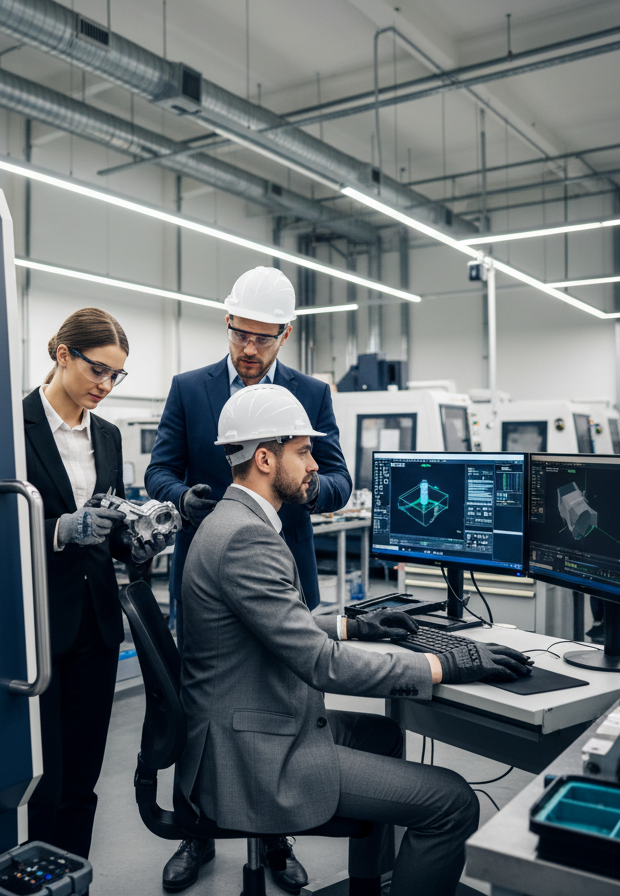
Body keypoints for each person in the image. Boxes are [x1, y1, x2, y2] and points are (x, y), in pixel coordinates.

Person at [177, 385, 534, 896]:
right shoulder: (246, 538)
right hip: (253, 757)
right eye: (302, 452)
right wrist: (443, 665)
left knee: (384, 737)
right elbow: (321, 665)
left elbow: (274, 626)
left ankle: (373, 884)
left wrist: (354, 625)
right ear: (263, 458)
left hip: (247, 724)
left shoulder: (231, 521)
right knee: (454, 802)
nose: (314, 466)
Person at [144, 265, 351, 892]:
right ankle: (196, 832)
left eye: (262, 338)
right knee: (201, 704)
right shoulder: (190, 388)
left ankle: (277, 836)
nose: (248, 349)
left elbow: (339, 480)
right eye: (239, 334)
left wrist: (299, 488)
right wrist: (190, 502)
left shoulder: (311, 396)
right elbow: (158, 473)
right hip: (206, 580)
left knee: (283, 710)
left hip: (284, 574)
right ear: (227, 325)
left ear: (285, 334)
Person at [23, 308, 170, 859]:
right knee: (45, 777)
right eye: (98, 371)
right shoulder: (14, 425)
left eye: (116, 376)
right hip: (39, 628)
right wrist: (60, 529)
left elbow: (106, 531)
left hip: (98, 626)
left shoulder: (106, 436)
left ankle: (73, 876)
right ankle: (39, 875)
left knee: (83, 778)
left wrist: (137, 541)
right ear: (63, 355)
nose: (106, 386)